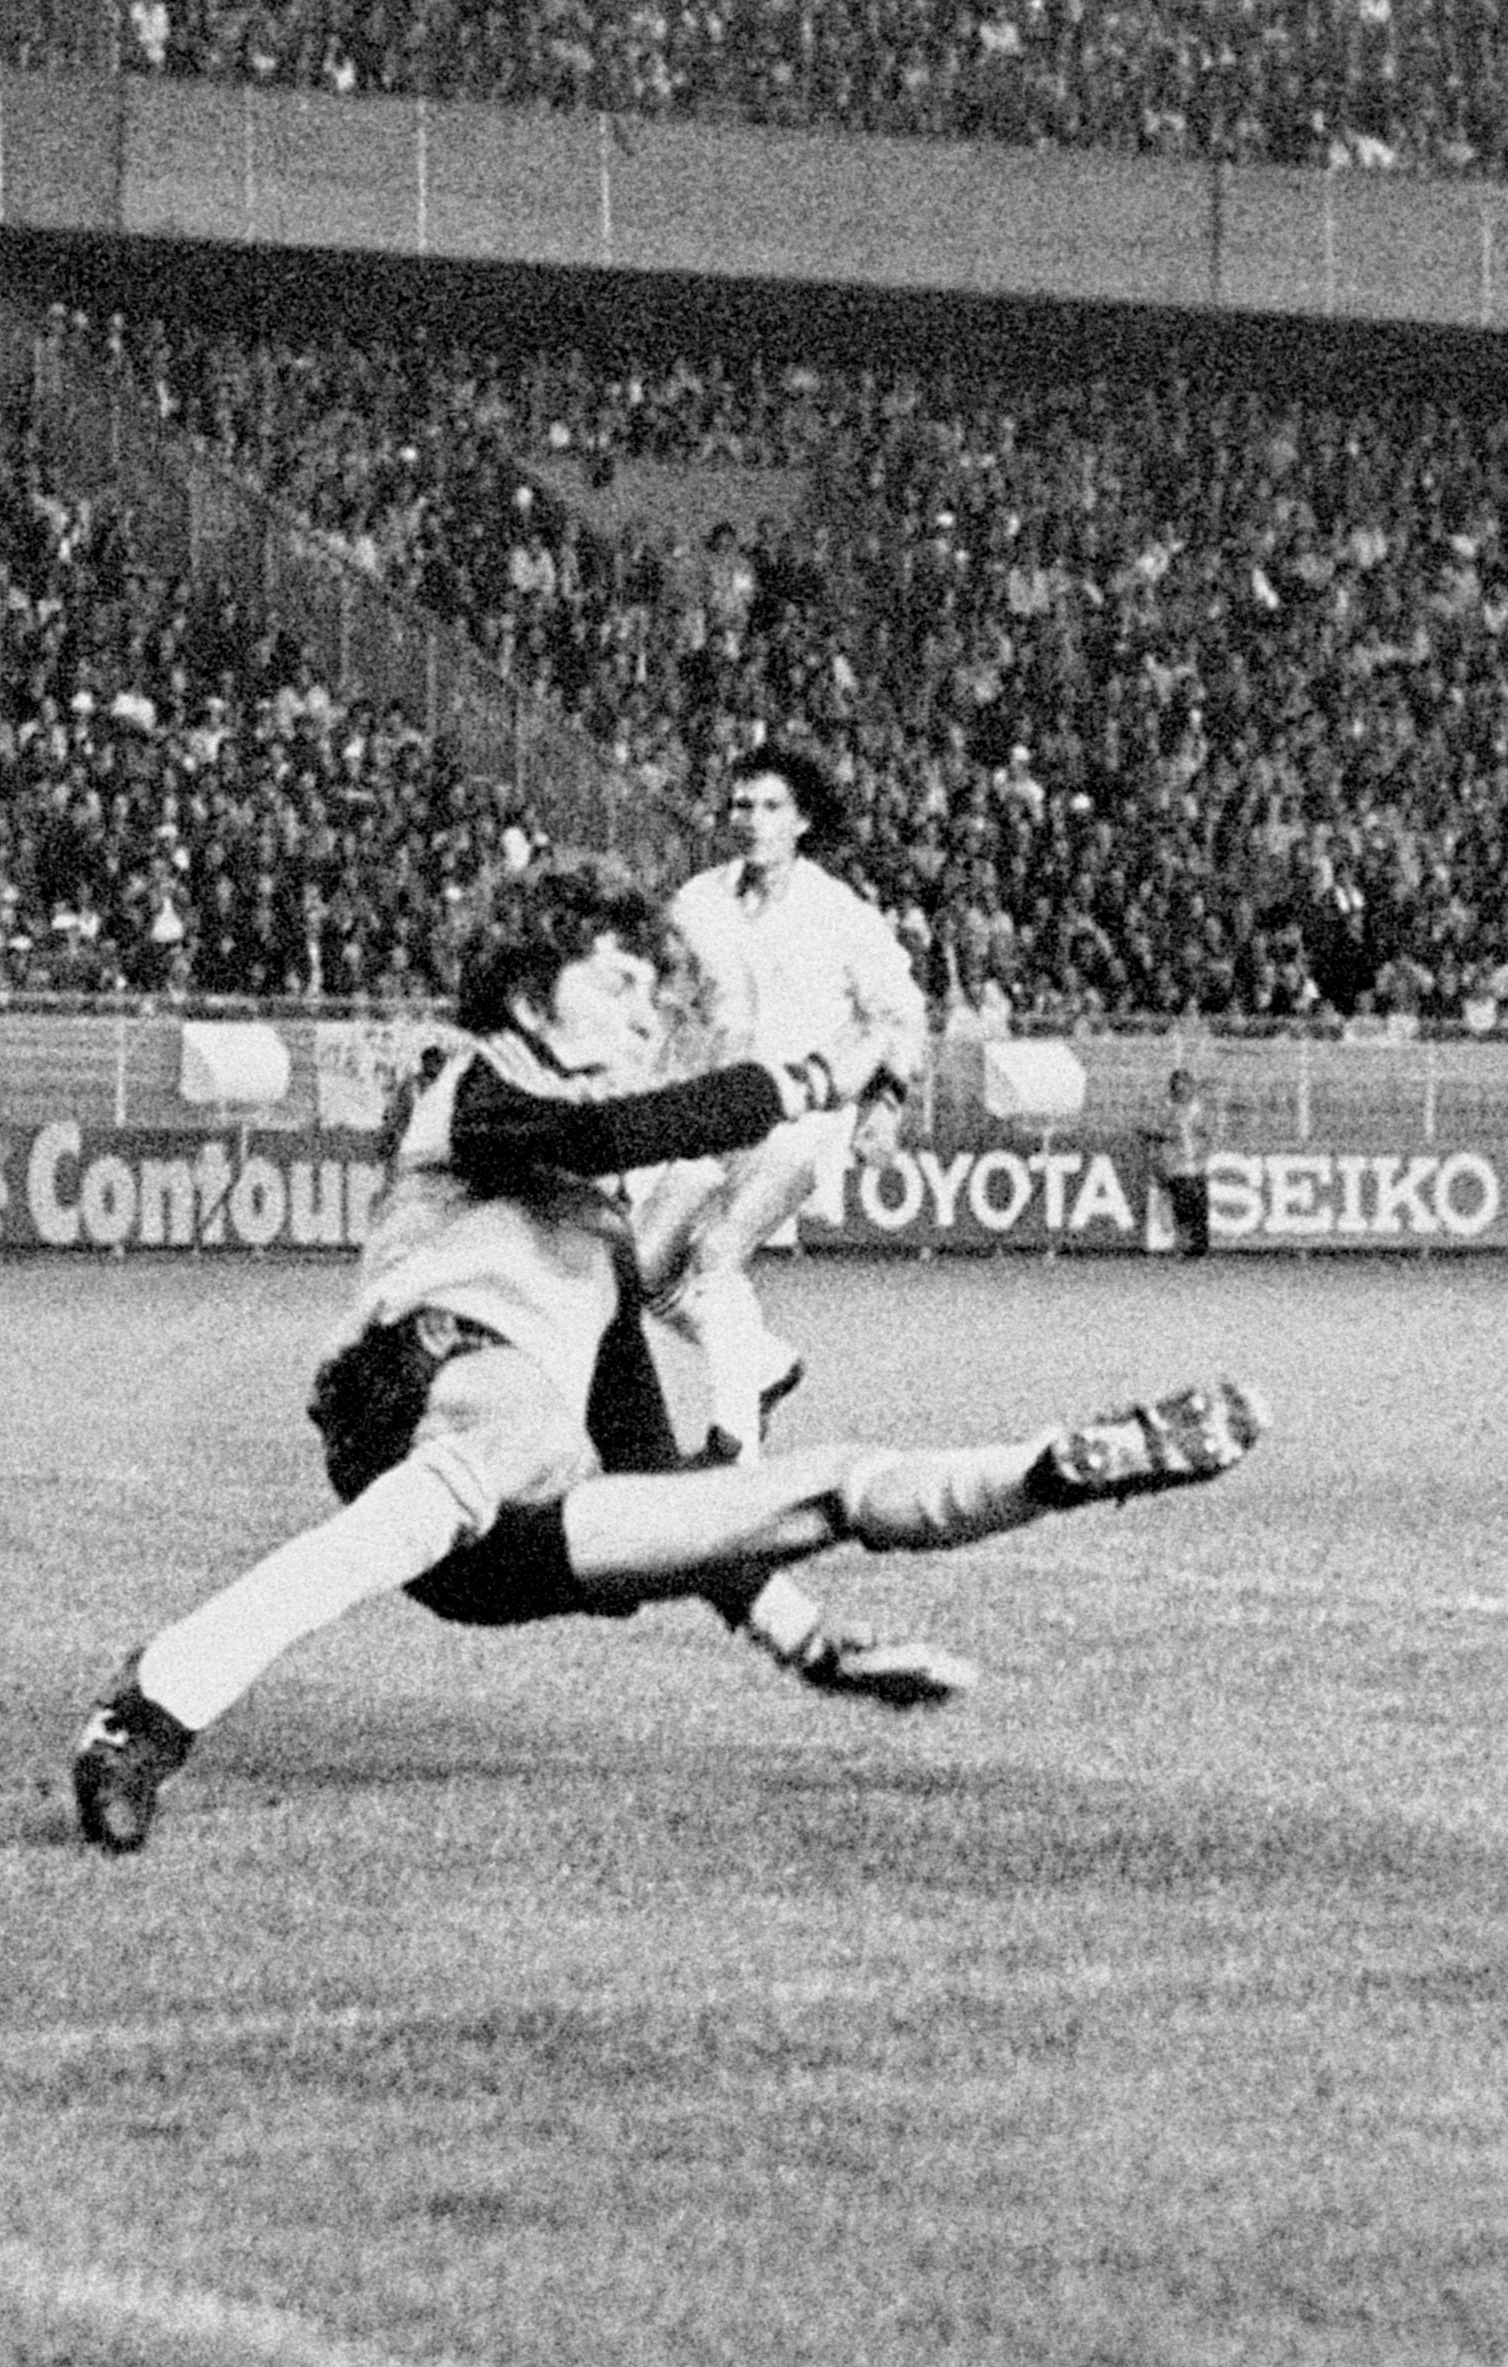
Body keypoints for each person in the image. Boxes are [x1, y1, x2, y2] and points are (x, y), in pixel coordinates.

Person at [68, 863, 1258, 1855]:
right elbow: (600, 1128)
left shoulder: (596, 1241)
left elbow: (650, 1469)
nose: (645, 1017)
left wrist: (806, 1642)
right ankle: (149, 1716)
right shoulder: (459, 1079)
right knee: (512, 1427)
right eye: (621, 983)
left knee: (826, 1484)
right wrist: (815, 1076)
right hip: (411, 1406)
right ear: (533, 991)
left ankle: (1055, 1466)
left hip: (512, 1545)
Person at [624, 743, 932, 1461]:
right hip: (708, 1108)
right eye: (741, 805)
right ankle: (761, 1364)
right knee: (643, 1274)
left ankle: (733, 1444)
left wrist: (887, 1101)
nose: (752, 820)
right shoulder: (697, 902)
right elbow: (666, 1003)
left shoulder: (840, 912)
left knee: (719, 1250)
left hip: (804, 1114)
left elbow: (900, 1011)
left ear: (802, 822)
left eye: (770, 807)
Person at [1150, 1063, 1219, 1258]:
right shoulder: (1166, 1109)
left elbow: (1208, 1133)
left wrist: (1205, 1151)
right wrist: (1164, 1136)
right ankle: (1183, 1247)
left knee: (1200, 1209)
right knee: (1182, 1209)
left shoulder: (1199, 1110)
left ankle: (1200, 1248)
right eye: (1178, 1088)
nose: (1182, 1092)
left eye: (1186, 1087)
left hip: (1196, 1166)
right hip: (1176, 1166)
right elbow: (1154, 1130)